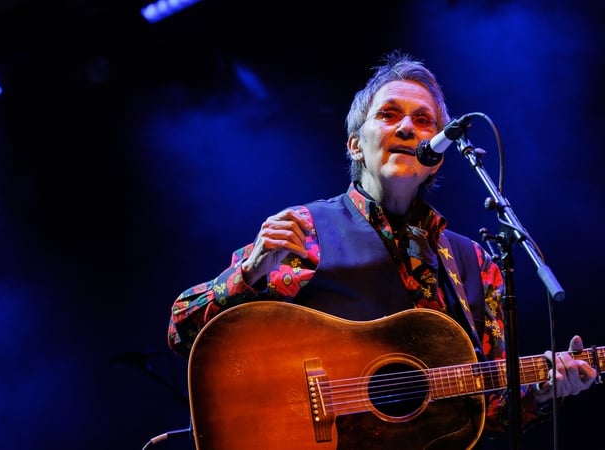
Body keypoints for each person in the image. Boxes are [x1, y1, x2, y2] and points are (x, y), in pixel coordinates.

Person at [166, 50, 599, 449]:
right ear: (356, 144)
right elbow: (184, 329)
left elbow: (489, 409)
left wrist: (544, 390)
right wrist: (251, 272)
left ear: (438, 154)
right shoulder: (307, 231)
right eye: (388, 115)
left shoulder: (475, 265)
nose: (407, 128)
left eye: (424, 121)